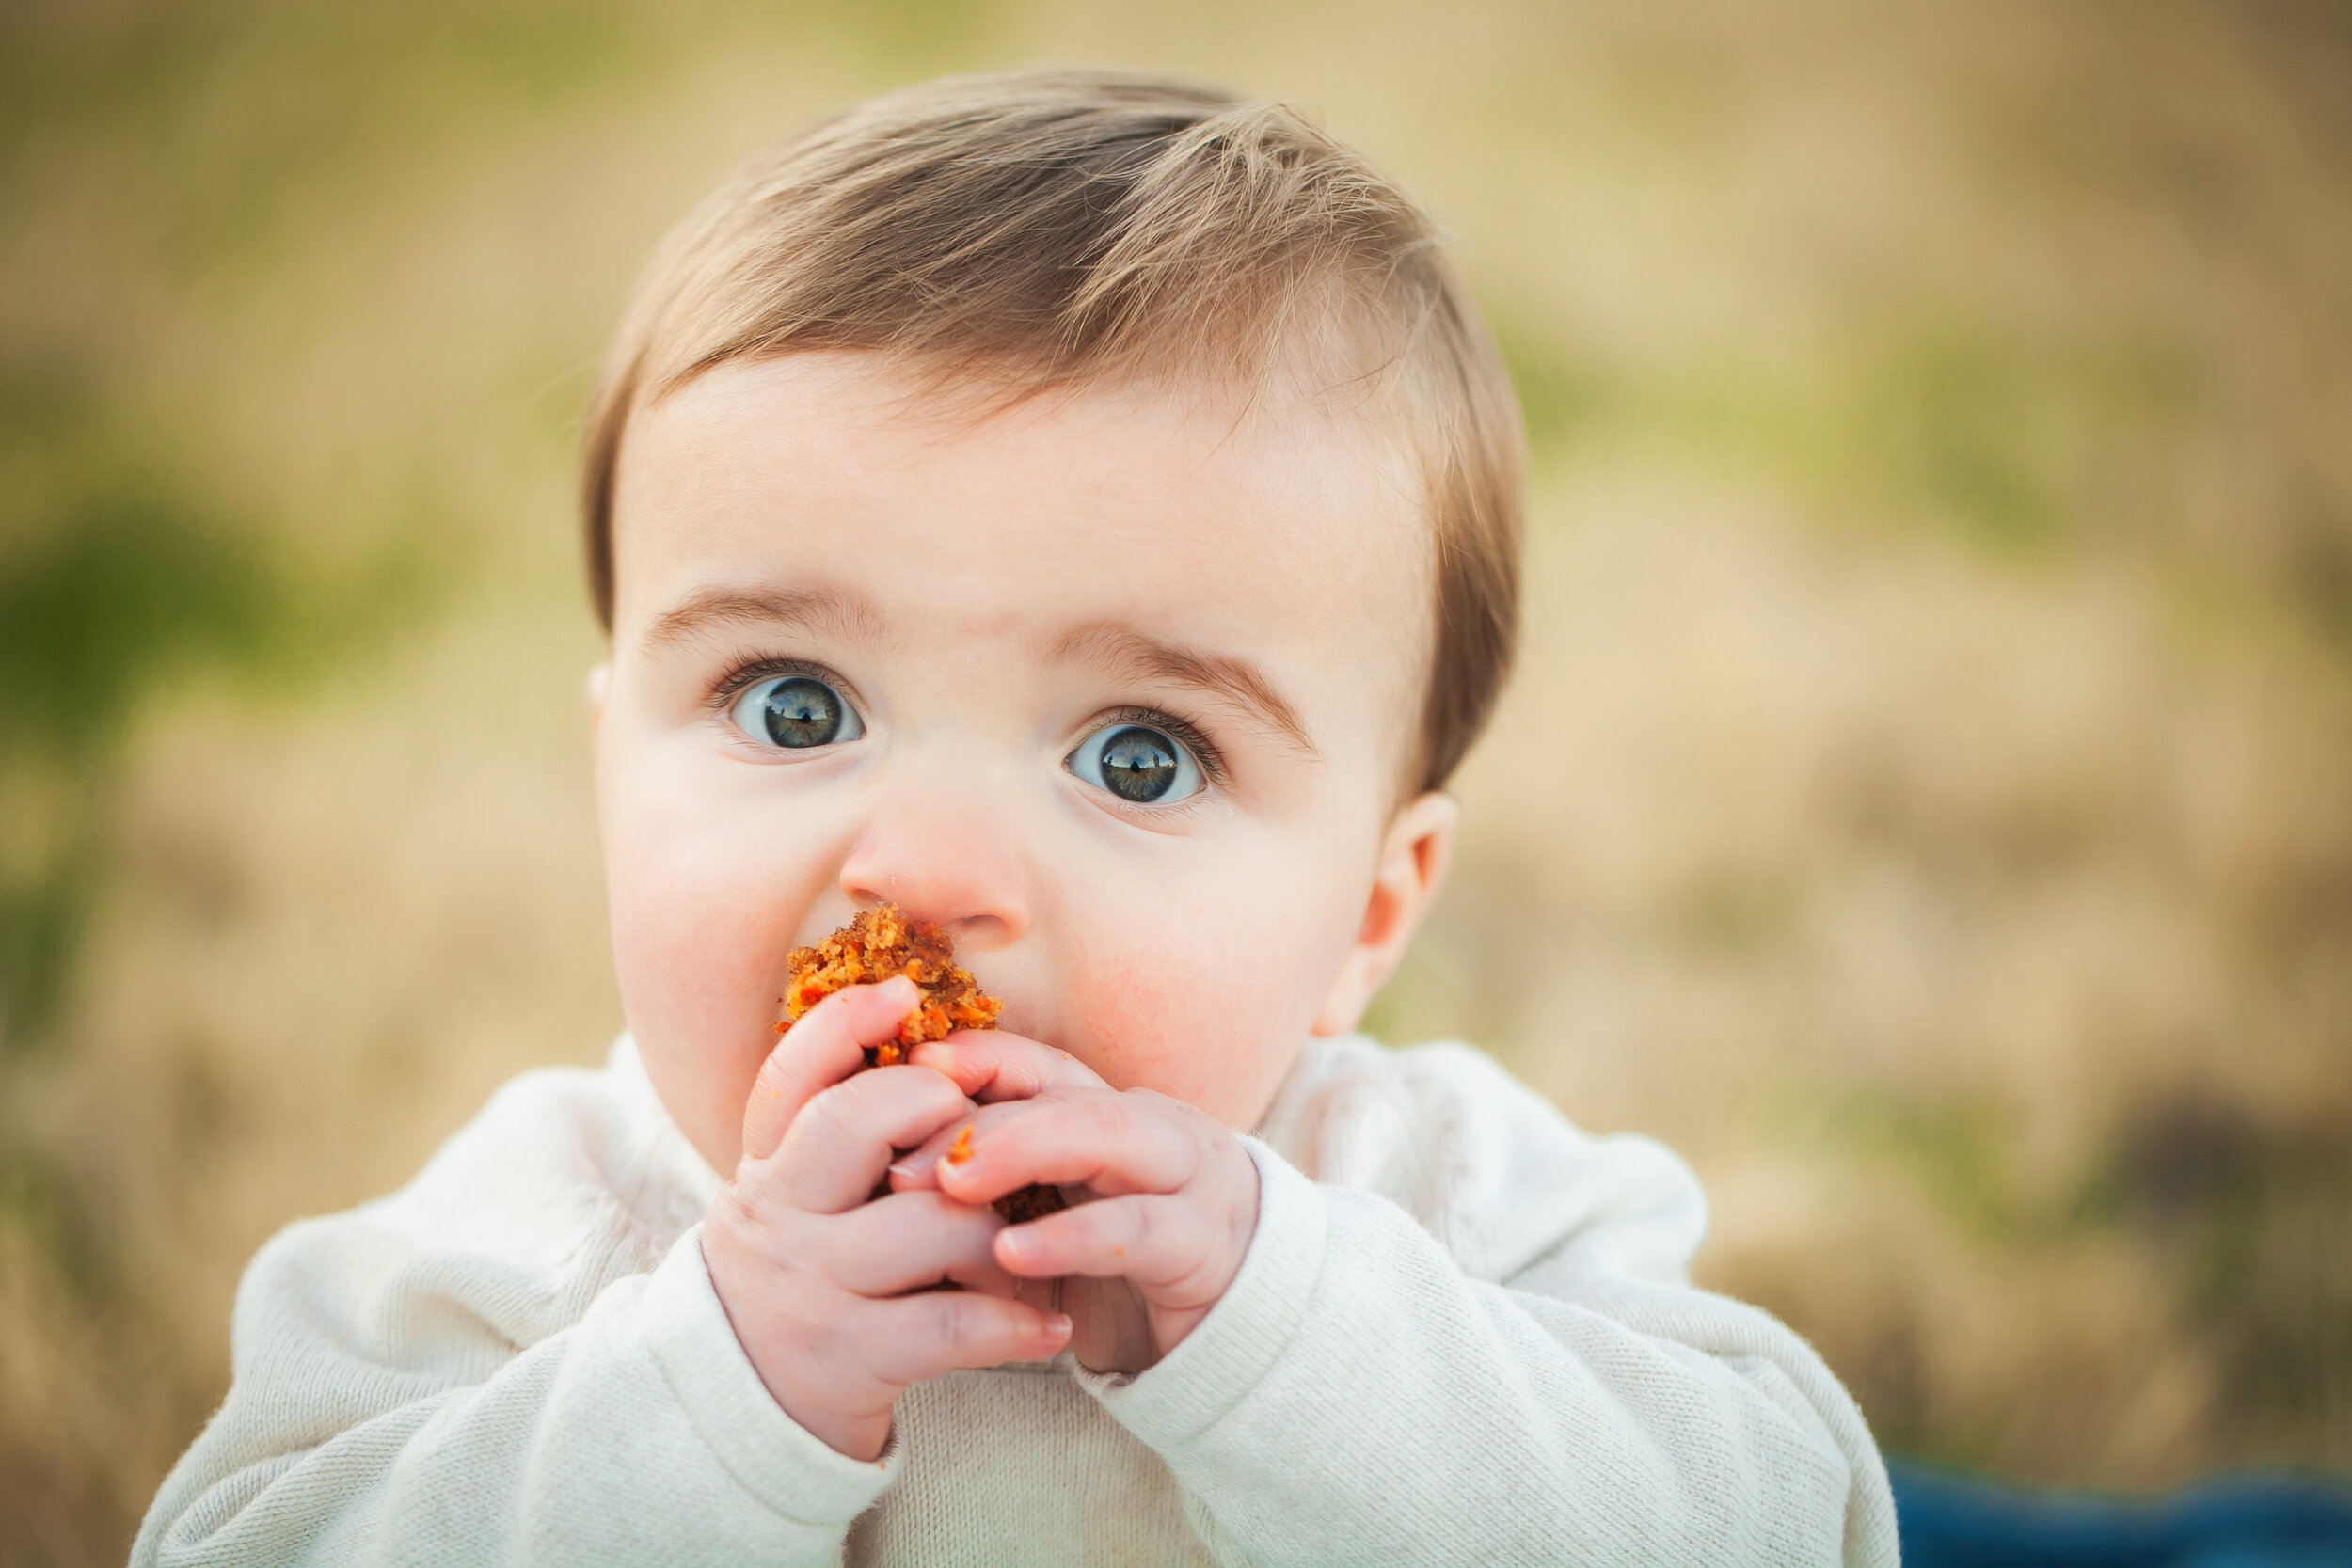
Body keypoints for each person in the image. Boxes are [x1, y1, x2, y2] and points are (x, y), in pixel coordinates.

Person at [135, 68, 1898, 1566]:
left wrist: (1293, 1334)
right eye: (794, 706)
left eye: (1141, 755)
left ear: (1369, 917)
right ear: (612, 770)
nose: (925, 873)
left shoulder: (1437, 1207)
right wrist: (701, 1394)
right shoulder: (538, 1243)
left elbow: (1797, 1515)